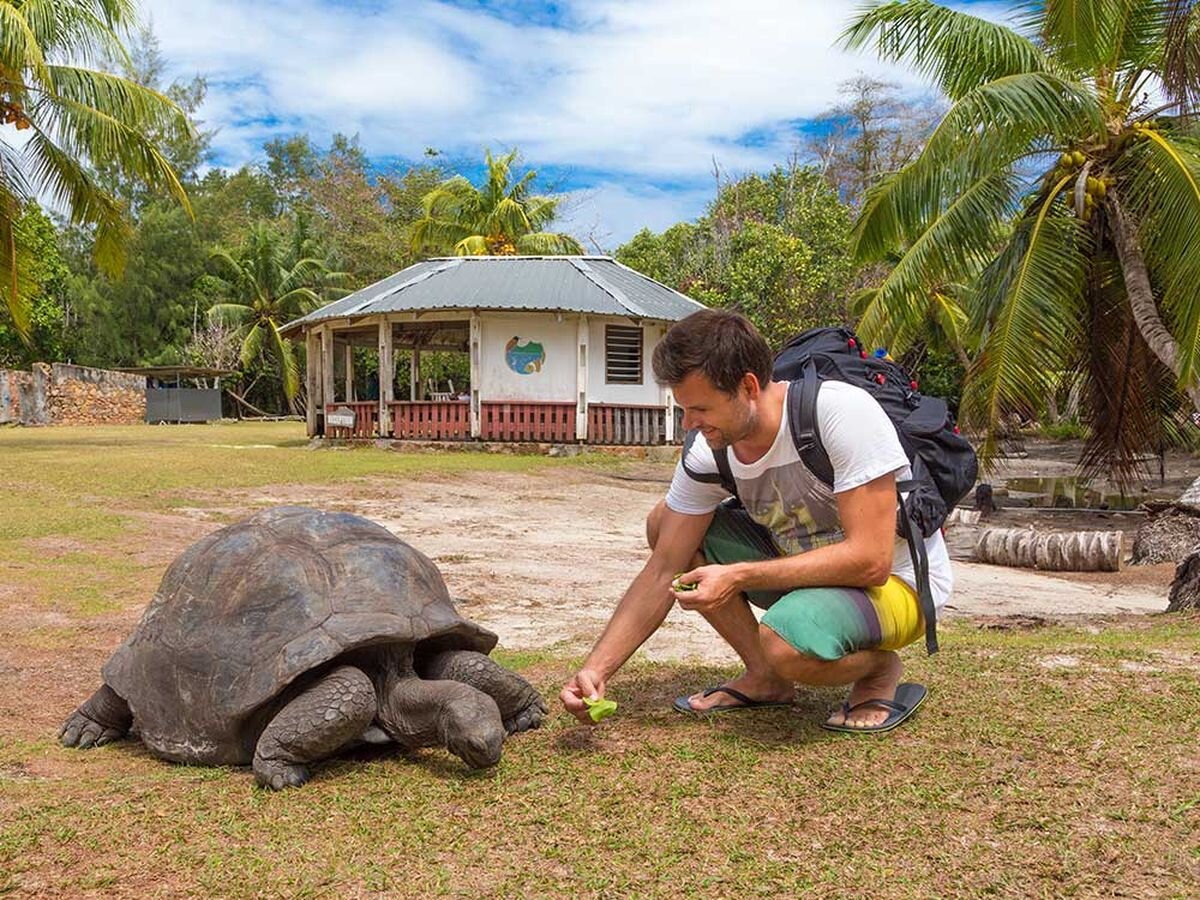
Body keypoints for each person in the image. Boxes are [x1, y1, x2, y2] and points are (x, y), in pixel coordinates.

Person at [559, 309, 953, 731]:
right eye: (684, 409)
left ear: (748, 386)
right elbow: (664, 569)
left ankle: (877, 671)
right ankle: (766, 678)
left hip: (896, 583)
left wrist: (738, 575)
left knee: (784, 642)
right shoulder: (709, 451)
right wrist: (597, 670)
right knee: (665, 526)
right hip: (807, 576)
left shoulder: (839, 412)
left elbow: (869, 561)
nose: (689, 424)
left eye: (700, 408)